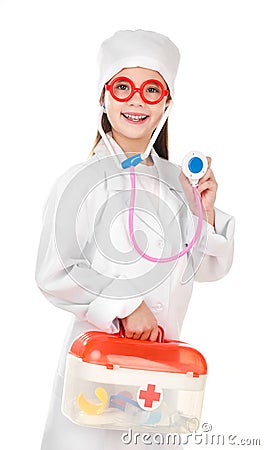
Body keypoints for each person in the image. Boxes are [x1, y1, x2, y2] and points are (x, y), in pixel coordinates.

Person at [35, 29, 235, 450]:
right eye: (123, 87)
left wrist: (205, 209)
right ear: (103, 98)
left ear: (166, 102)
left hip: (160, 379)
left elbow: (205, 268)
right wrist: (127, 306)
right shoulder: (79, 180)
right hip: (95, 373)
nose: (136, 100)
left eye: (151, 89)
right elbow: (56, 272)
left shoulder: (177, 181)